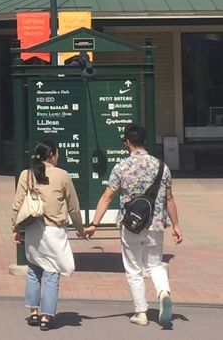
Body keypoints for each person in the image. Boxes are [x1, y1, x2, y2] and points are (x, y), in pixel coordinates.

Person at [85, 122, 183, 327]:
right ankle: (163, 292)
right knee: (155, 265)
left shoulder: (121, 167)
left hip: (131, 225)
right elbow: (169, 199)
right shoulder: (161, 167)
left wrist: (94, 224)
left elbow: (106, 197)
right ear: (144, 141)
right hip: (155, 224)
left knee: (133, 269)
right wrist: (176, 225)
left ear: (126, 143)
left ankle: (141, 312)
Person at [11, 140, 86, 331]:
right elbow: (73, 205)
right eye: (57, 153)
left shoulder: (26, 175)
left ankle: (34, 313)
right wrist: (80, 227)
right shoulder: (62, 175)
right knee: (52, 272)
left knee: (34, 270)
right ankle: (46, 316)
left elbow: (17, 204)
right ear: (52, 154)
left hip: (33, 229)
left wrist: (15, 228)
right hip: (55, 231)